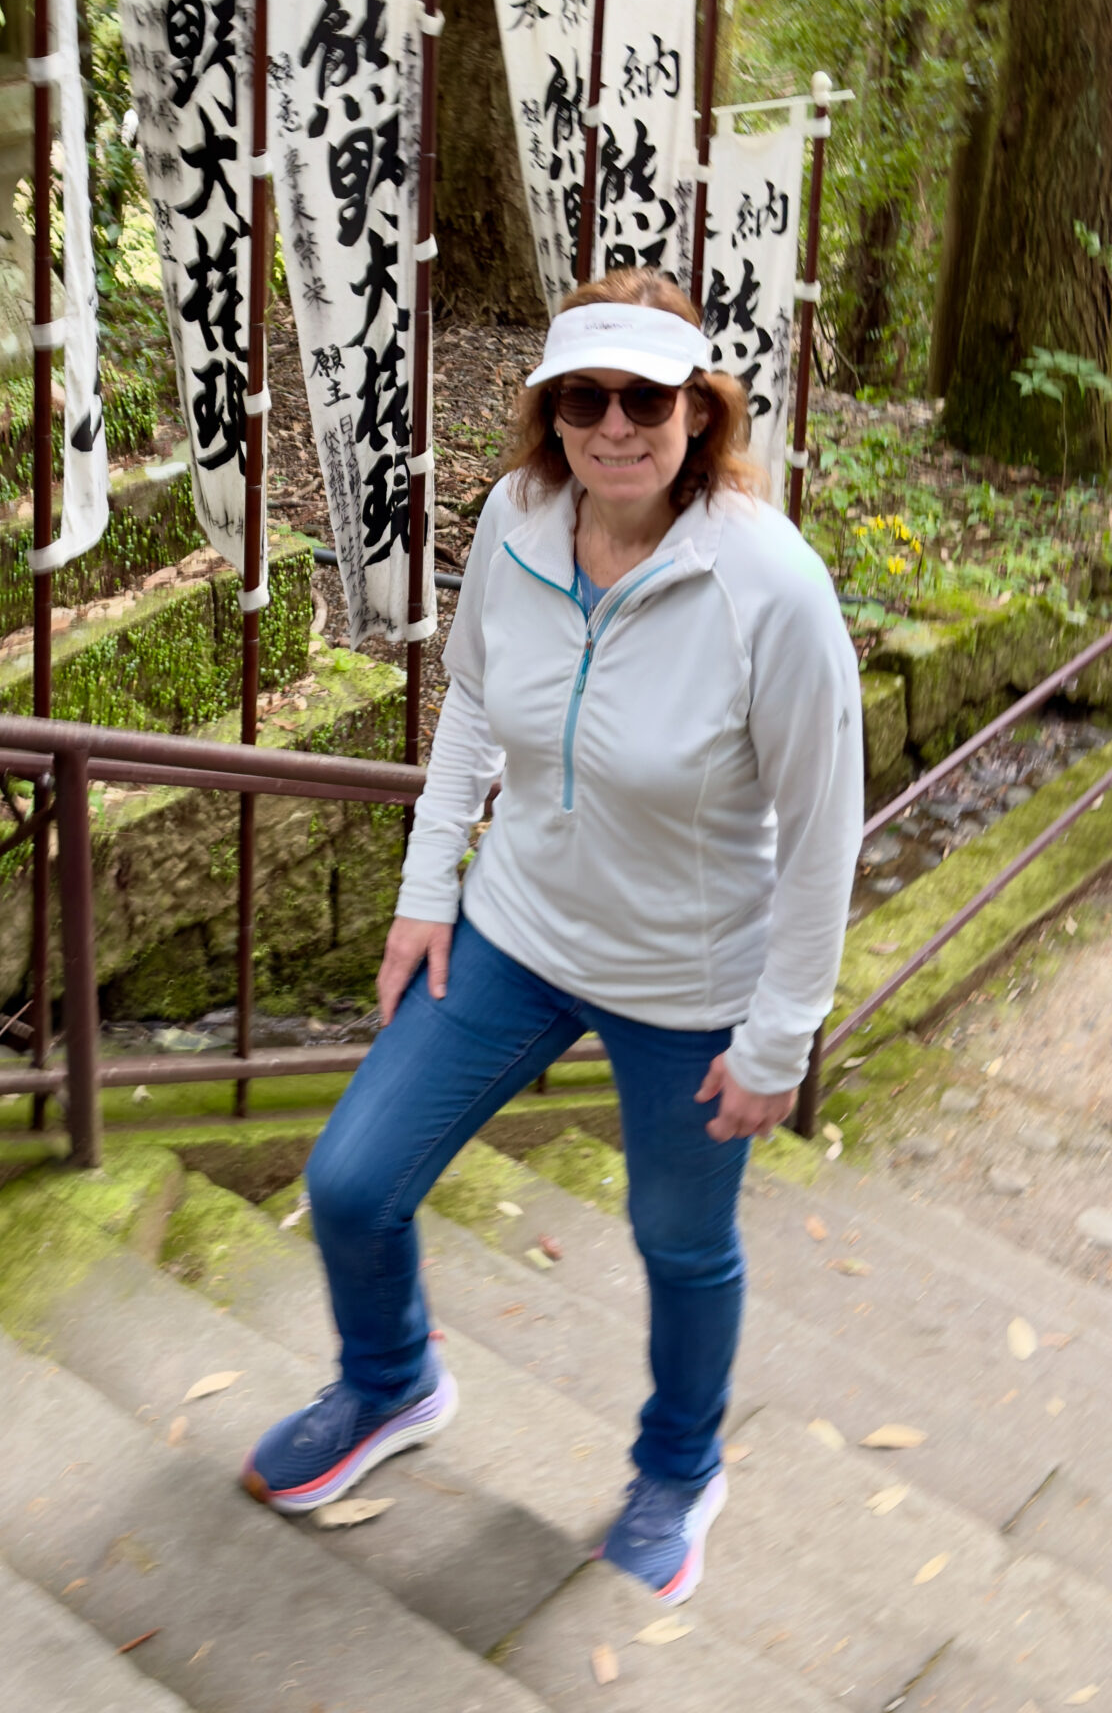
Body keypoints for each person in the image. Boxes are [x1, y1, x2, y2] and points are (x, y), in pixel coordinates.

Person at [242, 268, 862, 1604]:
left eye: (647, 397)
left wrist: (778, 1037)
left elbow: (822, 836)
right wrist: (425, 892)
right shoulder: (521, 518)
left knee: (678, 1242)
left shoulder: (773, 590)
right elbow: (472, 709)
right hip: (515, 931)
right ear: (551, 414)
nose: (615, 425)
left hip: (689, 981)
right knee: (351, 1181)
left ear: (701, 411)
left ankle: (681, 1467)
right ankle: (390, 1382)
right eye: (585, 397)